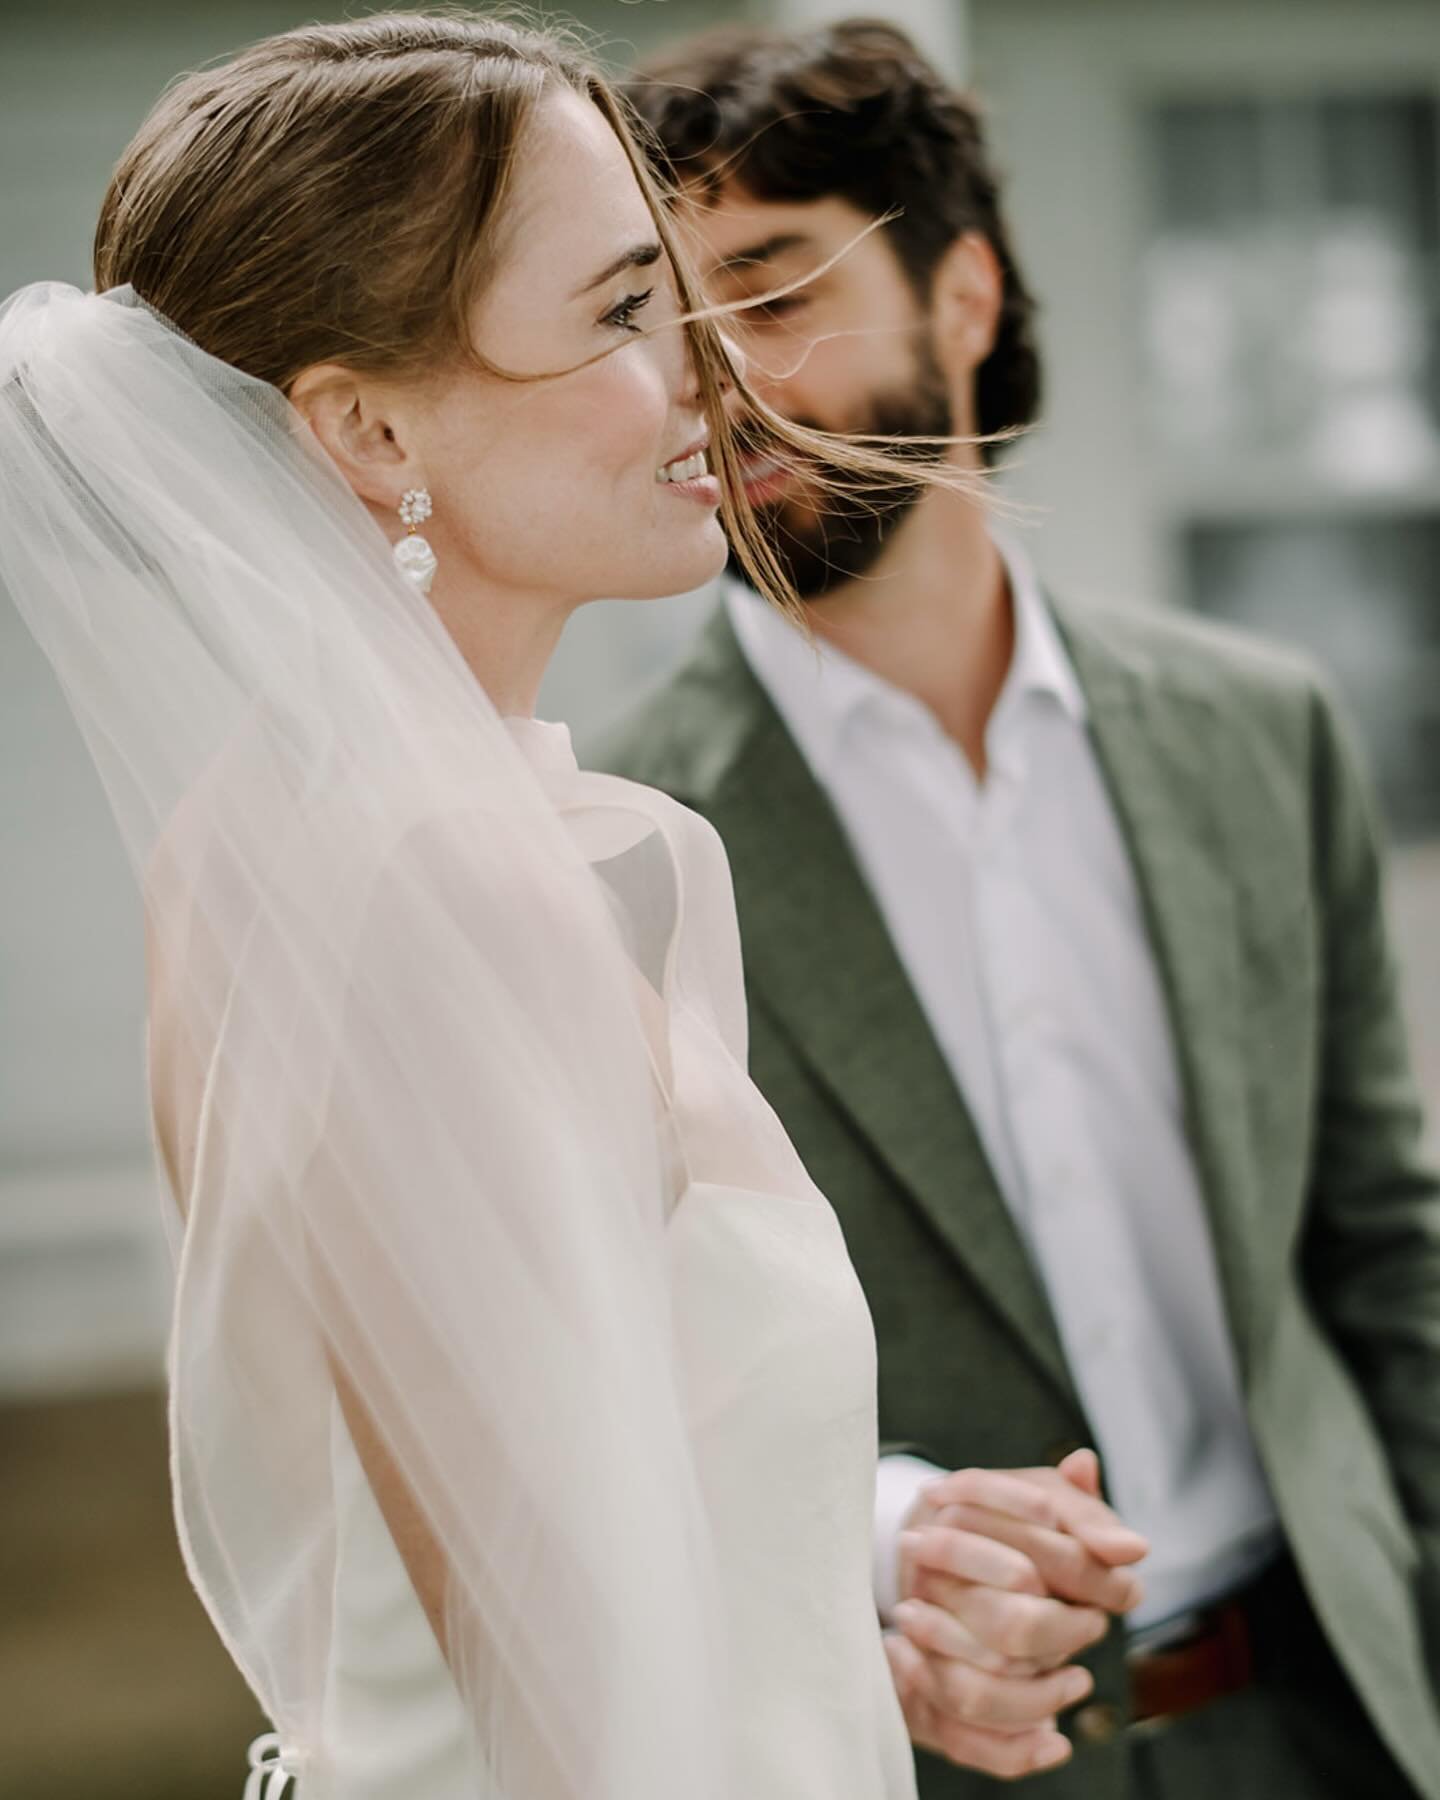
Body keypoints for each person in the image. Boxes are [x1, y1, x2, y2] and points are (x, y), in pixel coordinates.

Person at [0, 12, 1150, 1798]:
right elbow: (568, 1717)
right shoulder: (434, 886)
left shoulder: (266, 837)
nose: (711, 370)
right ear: (368, 425)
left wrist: (841, 1622)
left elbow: (517, 1545)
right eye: (623, 311)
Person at [595, 18, 1440, 1800]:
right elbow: (617, 1378)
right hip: (937, 1756)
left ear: (962, 293)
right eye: (662, 327)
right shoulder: (614, 845)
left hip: (1342, 1707)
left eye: (772, 291)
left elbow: (1380, 1245)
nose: (714, 383)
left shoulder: (1260, 731)